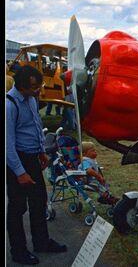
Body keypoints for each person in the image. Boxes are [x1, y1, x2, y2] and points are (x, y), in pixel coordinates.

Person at [7, 65, 67, 265]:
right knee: (17, 208)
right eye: (34, 87)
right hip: (17, 160)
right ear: (21, 86)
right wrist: (20, 172)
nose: (39, 91)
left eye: (39, 85)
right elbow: (7, 144)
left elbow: (35, 124)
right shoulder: (9, 105)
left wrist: (41, 150)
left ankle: (41, 241)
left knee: (38, 202)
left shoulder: (31, 100)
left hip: (32, 158)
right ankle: (19, 251)